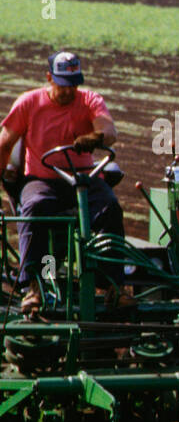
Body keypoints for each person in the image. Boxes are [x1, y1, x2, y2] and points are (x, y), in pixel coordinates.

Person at [0, 51, 129, 317]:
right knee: (34, 208)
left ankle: (113, 286)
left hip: (83, 177)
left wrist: (95, 137)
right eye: (63, 84)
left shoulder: (89, 100)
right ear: (49, 78)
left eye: (74, 83)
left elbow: (110, 131)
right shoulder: (29, 103)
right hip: (42, 179)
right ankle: (32, 287)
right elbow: (5, 142)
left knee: (110, 208)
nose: (70, 90)